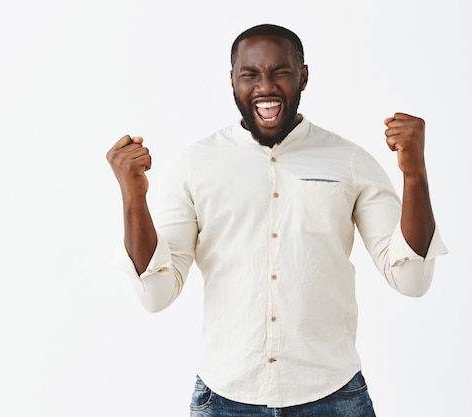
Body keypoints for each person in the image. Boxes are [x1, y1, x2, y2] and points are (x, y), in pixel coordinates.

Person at [107, 23, 447, 417]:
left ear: (303, 76)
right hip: (225, 397)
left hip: (333, 396)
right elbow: (156, 294)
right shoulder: (194, 165)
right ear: (232, 80)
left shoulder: (350, 162)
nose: (265, 86)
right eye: (250, 74)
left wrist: (415, 174)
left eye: (280, 72)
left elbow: (412, 279)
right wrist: (133, 197)